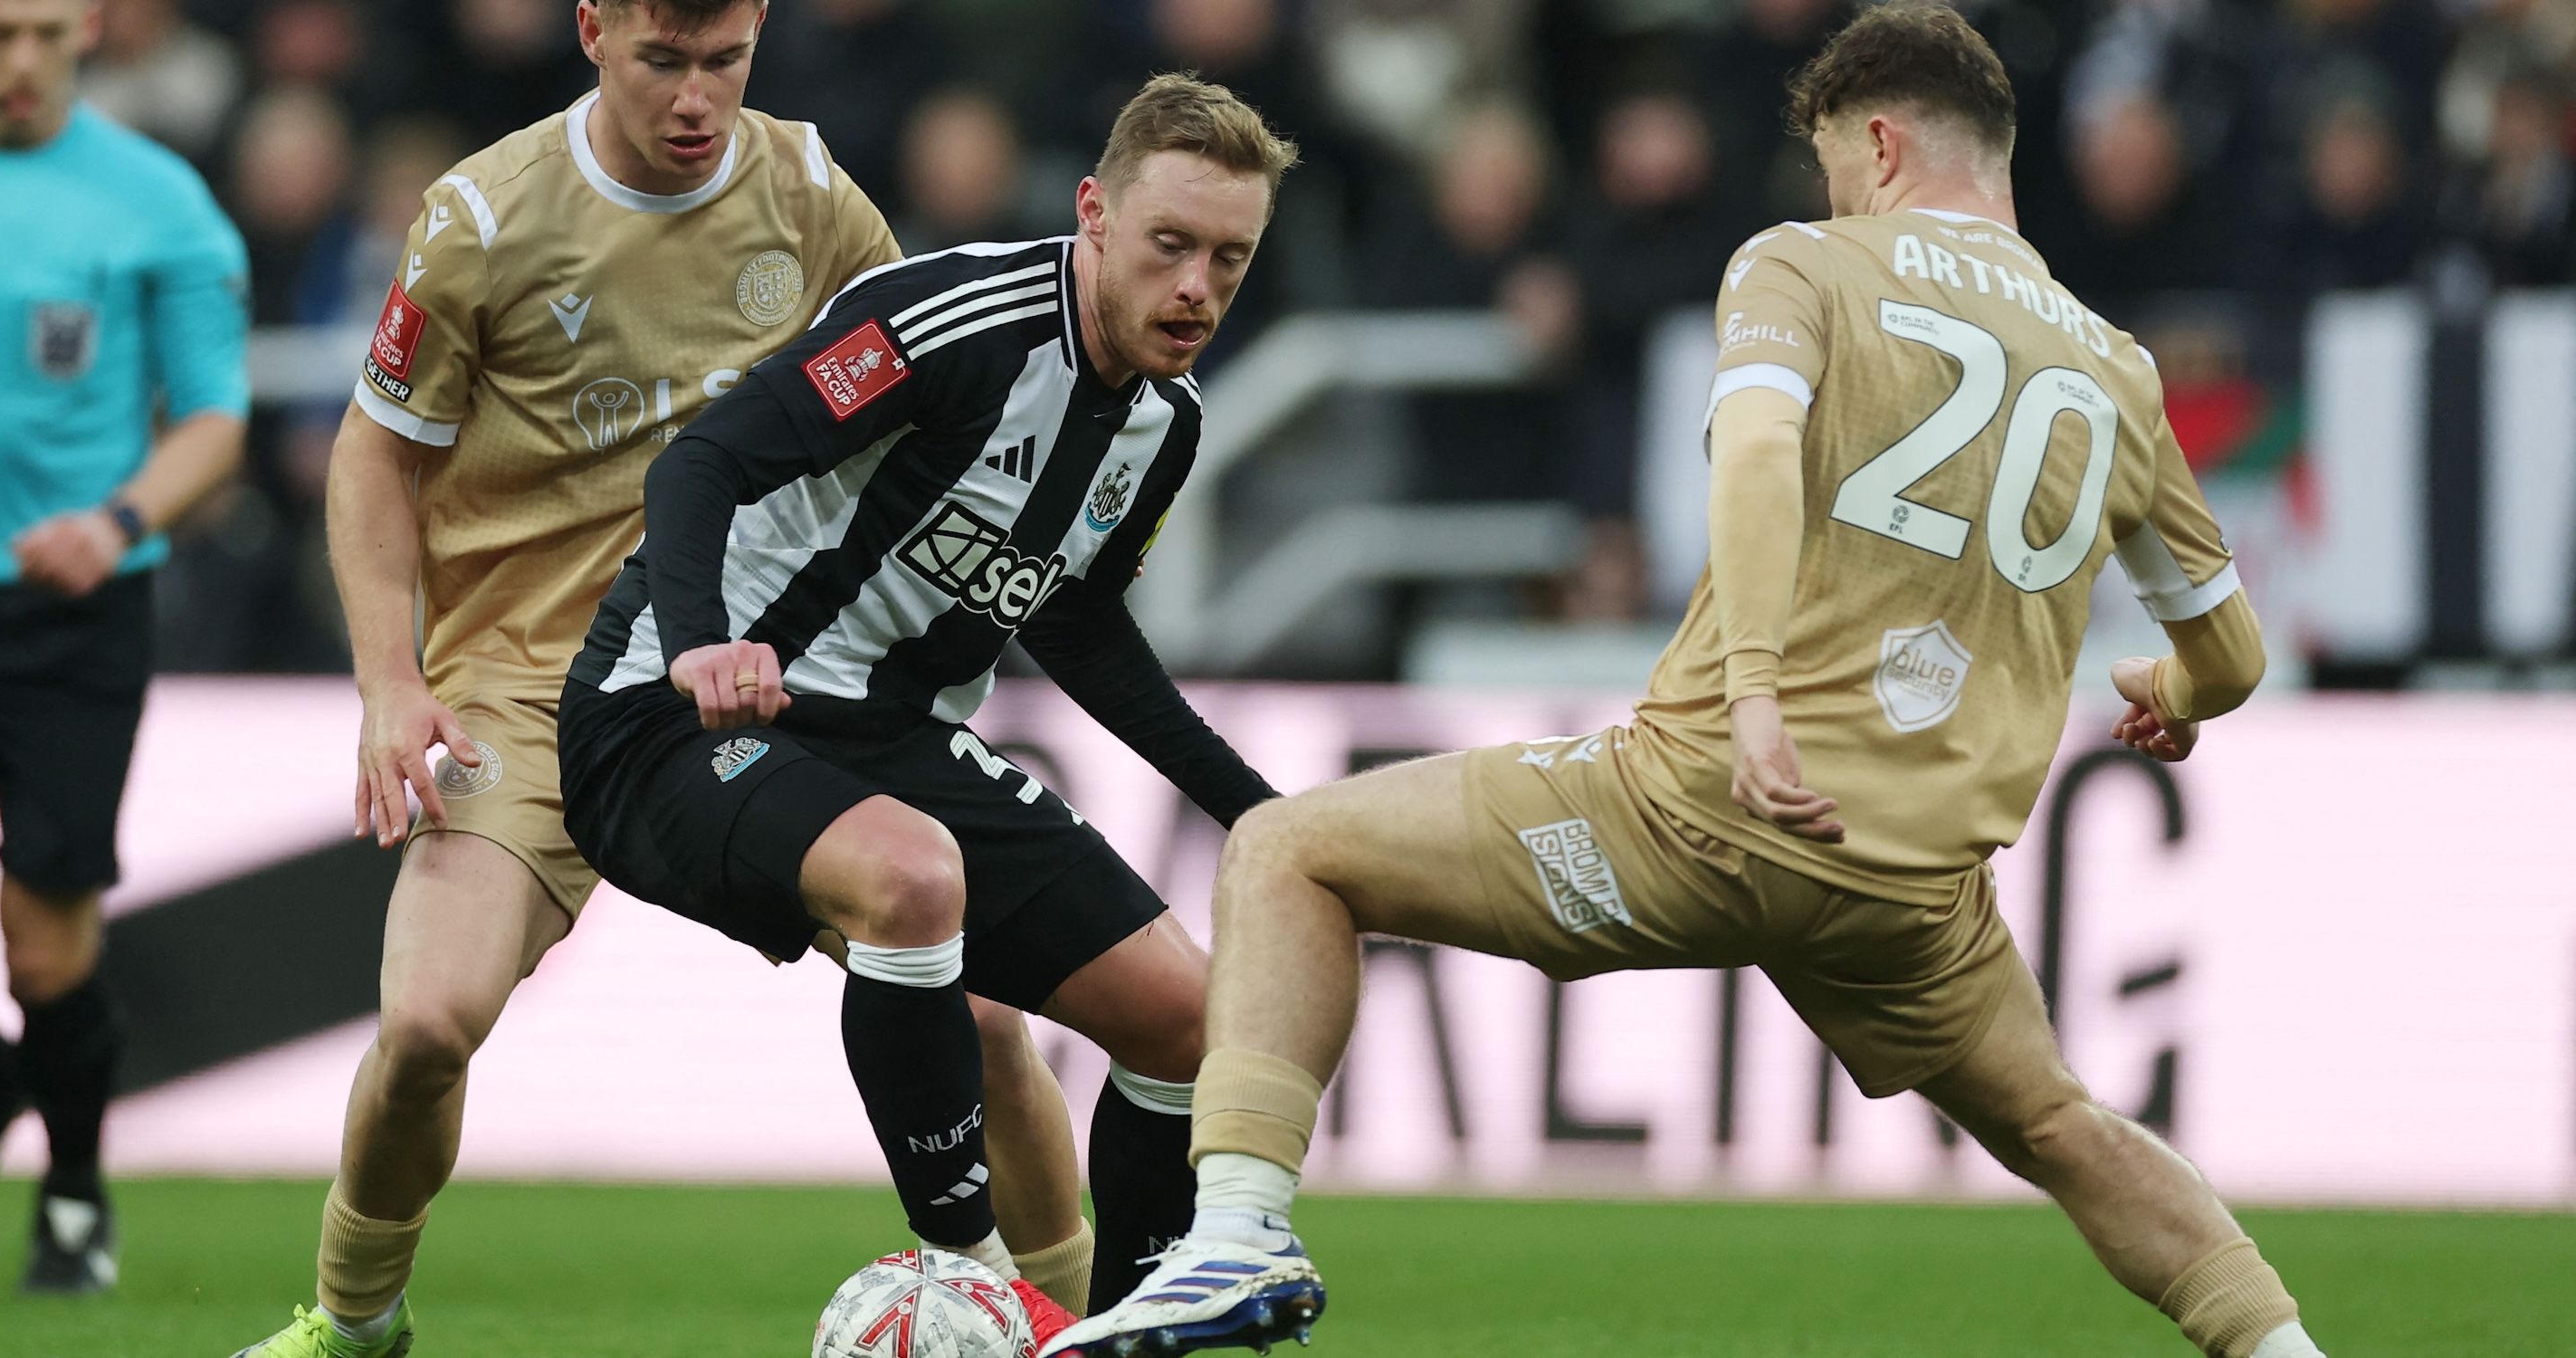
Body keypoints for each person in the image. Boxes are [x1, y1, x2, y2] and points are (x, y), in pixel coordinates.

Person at [1051, 8, 2324, 1358]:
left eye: (1835, 163)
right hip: (1913, 895)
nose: (1830, 192)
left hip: (1708, 804)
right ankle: (2281, 1347)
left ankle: (1236, 1235)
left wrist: (1763, 693)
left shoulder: (1806, 264)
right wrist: (2169, 691)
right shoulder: (2118, 368)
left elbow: (1760, 454)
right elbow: (2234, 654)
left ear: (1880, 144)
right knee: (2063, 1125)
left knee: (1285, 852)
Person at [234, 4, 1092, 1354]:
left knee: (984, 1013)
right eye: (663, 61)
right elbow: (374, 451)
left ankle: (1074, 1331)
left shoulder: (812, 199)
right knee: (424, 1026)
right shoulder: (485, 218)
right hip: (527, 685)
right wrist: (390, 683)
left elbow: (916, 409)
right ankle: (353, 1328)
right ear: (591, 31)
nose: (699, 99)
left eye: (727, 61)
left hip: (754, 680)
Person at [556, 71, 1298, 1336]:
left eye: (1229, 259)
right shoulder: (956, 321)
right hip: (681, 721)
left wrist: (1264, 816)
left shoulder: (1162, 427)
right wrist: (696, 648)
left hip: (896, 741)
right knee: (914, 878)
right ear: (1095, 215)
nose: (1197, 288)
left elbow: (1074, 621)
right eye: (1172, 245)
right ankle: (961, 1284)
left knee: (1190, 1022)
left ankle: (1112, 1331)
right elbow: (705, 462)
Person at [0, 0, 249, 1295]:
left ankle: (74, 1191)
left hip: (75, 621)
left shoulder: (158, 202)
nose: (16, 60)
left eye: (41, 32)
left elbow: (212, 420)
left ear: (87, 28)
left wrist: (119, 518)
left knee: (46, 950)